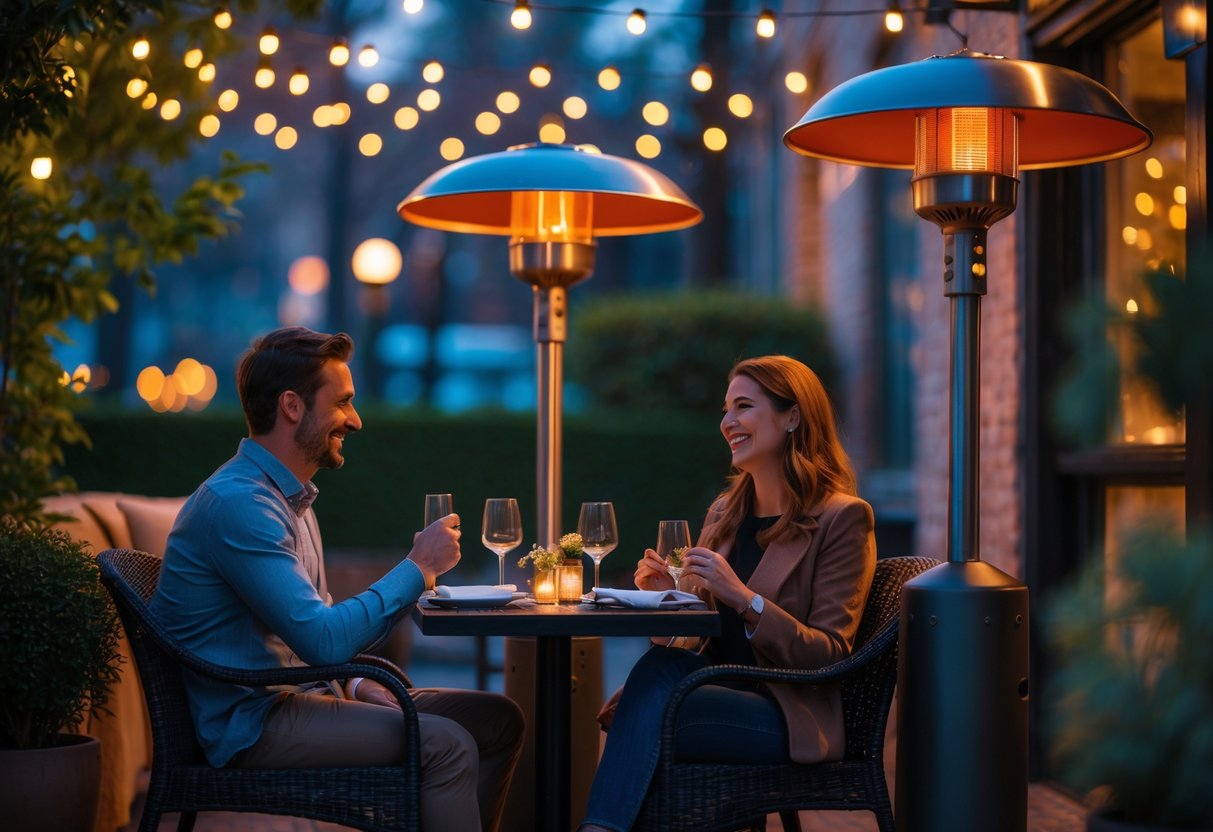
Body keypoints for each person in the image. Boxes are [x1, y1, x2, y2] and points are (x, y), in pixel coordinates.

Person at [150, 327, 523, 832]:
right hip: (253, 723)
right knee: (446, 743)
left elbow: (314, 629)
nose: (356, 419)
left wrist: (355, 681)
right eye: (343, 402)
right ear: (292, 406)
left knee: (497, 721)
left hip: (297, 696)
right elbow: (325, 639)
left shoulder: (291, 499)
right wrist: (419, 568)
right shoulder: (241, 505)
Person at [579, 355, 877, 832]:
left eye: (743, 406)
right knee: (660, 673)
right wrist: (667, 603)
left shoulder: (842, 518)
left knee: (652, 709)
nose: (727, 422)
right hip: (714, 690)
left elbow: (829, 653)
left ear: (792, 417)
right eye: (725, 409)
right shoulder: (725, 513)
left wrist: (744, 598)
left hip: (786, 710)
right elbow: (690, 644)